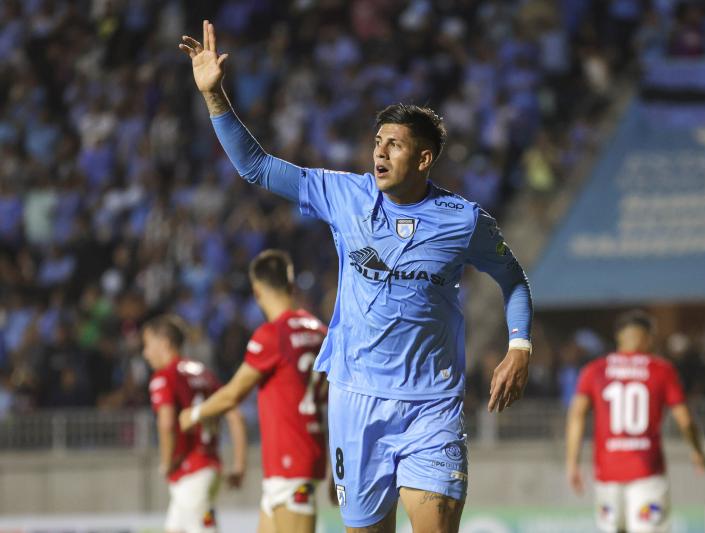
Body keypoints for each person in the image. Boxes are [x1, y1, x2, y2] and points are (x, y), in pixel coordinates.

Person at [178, 21, 534, 532]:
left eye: (394, 144)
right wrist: (215, 96)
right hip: (356, 400)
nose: (380, 152)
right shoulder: (344, 195)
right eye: (377, 141)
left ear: (424, 158)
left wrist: (519, 345)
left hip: (431, 406)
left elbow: (513, 276)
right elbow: (256, 167)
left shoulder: (464, 220)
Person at [178, 250, 329, 533]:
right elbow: (334, 401)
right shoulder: (320, 331)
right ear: (291, 285)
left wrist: (193, 414)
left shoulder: (273, 334)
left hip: (290, 461)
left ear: (257, 290)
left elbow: (233, 393)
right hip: (303, 457)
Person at [565, 310, 705, 533]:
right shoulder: (661, 370)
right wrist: (697, 451)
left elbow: (576, 415)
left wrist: (572, 462)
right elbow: (685, 420)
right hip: (647, 474)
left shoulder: (594, 370)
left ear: (619, 337)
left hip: (607, 475)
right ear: (646, 337)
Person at [142, 314, 248, 533]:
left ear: (164, 344)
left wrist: (166, 461)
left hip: (191, 471)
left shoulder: (164, 377)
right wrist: (239, 464)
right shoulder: (204, 373)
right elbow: (235, 416)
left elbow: (167, 423)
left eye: (147, 345)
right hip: (208, 467)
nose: (145, 353)